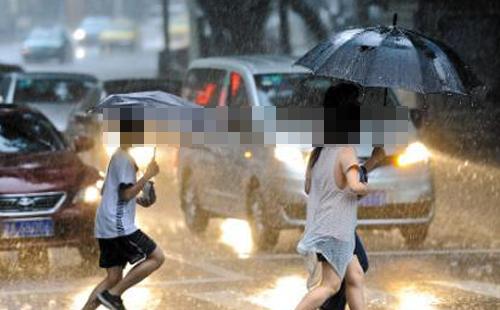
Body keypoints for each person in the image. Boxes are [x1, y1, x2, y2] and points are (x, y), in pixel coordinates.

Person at [295, 83, 385, 310]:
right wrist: (367, 189)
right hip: (336, 231)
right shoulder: (346, 151)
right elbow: (355, 186)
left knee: (355, 275)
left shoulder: (319, 151)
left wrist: (370, 164)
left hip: (326, 226)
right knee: (330, 285)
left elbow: (310, 187)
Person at [82, 129, 165, 310]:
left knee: (113, 277)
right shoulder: (124, 160)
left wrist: (143, 199)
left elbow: (111, 193)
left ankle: (96, 303)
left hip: (107, 224)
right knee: (157, 257)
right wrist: (146, 176)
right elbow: (126, 194)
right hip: (117, 226)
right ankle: (114, 295)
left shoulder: (119, 157)